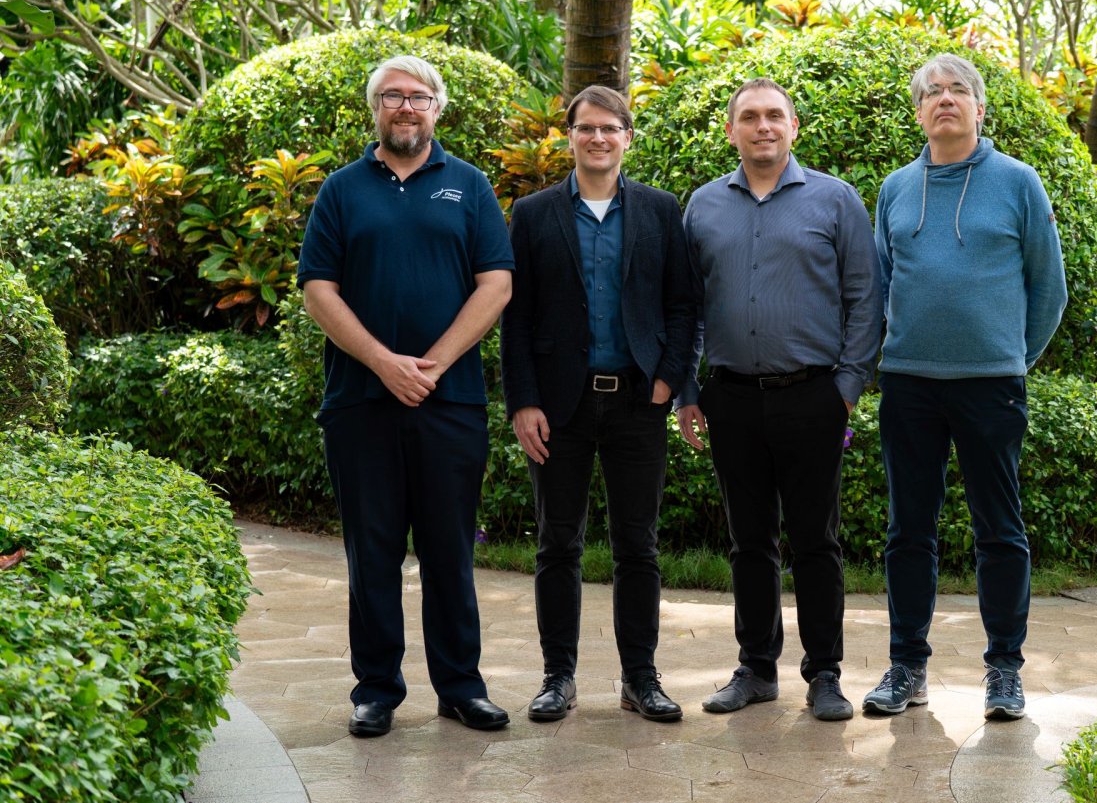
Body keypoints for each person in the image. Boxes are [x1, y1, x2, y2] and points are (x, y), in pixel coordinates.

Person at [297, 55, 514, 737]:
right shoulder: (341, 190)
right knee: (372, 552)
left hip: (451, 404)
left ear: (437, 109)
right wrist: (384, 363)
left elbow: (496, 284)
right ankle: (376, 690)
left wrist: (433, 365)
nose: (406, 108)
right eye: (392, 96)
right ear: (375, 109)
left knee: (449, 550)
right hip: (360, 403)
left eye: (419, 97)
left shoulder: (469, 185)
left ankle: (461, 686)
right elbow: (317, 290)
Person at [863, 53, 1067, 721]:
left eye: (957, 90)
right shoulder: (896, 189)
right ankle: (907, 666)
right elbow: (880, 286)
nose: (944, 98)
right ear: (919, 112)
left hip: (990, 386)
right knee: (908, 531)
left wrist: (1010, 358)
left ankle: (1004, 669)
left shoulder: (1018, 182)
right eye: (932, 92)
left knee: (999, 530)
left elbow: (1049, 288)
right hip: (909, 383)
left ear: (980, 108)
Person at [676, 78, 883, 722]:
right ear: (731, 130)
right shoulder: (703, 205)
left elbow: (866, 298)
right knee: (749, 541)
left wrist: (846, 389)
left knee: (816, 541)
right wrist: (688, 390)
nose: (762, 126)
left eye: (774, 116)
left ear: (794, 127)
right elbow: (688, 307)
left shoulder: (835, 199)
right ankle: (757, 668)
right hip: (731, 398)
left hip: (812, 395)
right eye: (749, 117)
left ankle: (825, 673)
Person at [500, 85, 695, 723]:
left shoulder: (661, 209)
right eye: (587, 128)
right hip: (560, 407)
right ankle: (558, 677)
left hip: (638, 400)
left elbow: (682, 303)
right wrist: (523, 401)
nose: (598, 138)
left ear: (627, 138)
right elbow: (516, 317)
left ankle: (640, 677)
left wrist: (668, 380)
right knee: (558, 543)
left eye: (610, 128)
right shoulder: (533, 214)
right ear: (570, 137)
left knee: (637, 545)